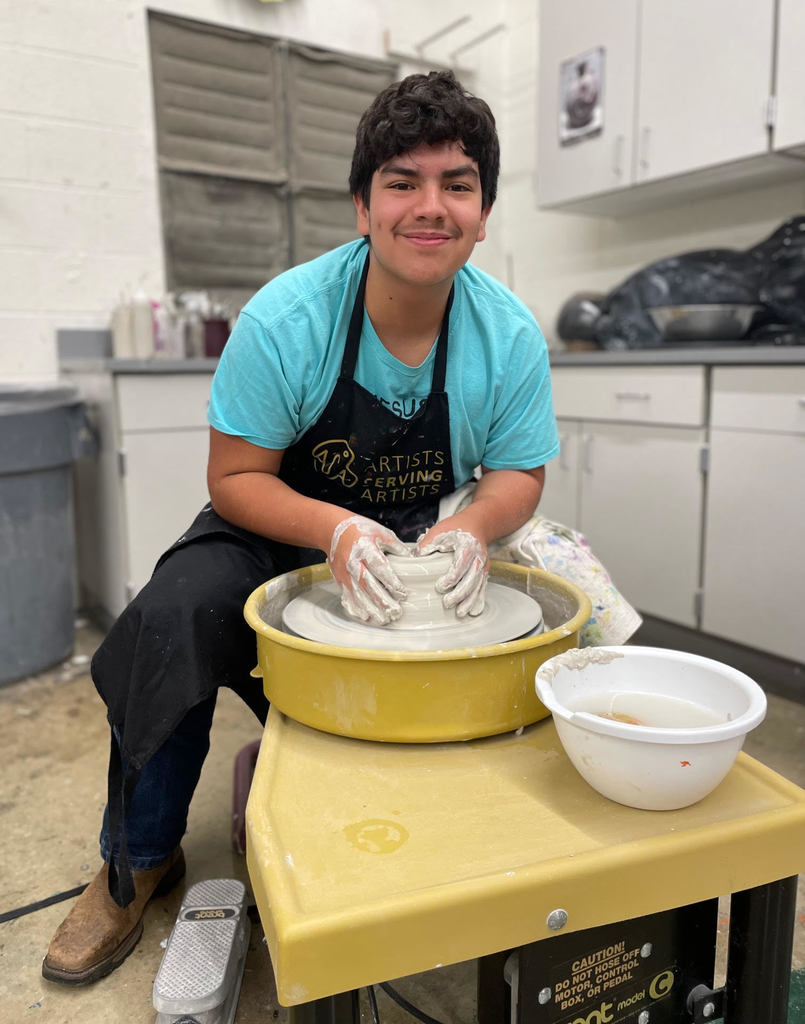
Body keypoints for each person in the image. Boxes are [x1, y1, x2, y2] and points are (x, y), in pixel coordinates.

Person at [42, 69, 559, 986]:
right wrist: (338, 532)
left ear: (483, 214)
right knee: (173, 621)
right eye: (402, 182)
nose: (429, 207)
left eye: (457, 184)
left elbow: (518, 471)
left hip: (412, 545)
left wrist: (474, 528)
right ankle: (137, 861)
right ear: (362, 206)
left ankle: (418, 846)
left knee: (536, 636)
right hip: (271, 528)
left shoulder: (507, 336)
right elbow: (235, 476)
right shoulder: (287, 318)